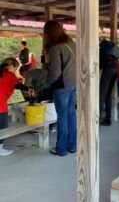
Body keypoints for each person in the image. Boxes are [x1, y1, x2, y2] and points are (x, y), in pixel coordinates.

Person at [43, 20, 76, 156]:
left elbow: (55, 72)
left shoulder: (55, 48)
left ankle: (61, 149)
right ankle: (72, 146)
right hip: (74, 83)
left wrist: (46, 84)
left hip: (62, 85)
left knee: (62, 116)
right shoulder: (72, 43)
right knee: (71, 114)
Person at [0, 58, 34, 156]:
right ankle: (0, 149)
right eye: (16, 68)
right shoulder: (10, 75)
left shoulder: (2, 73)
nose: (15, 71)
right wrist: (28, 89)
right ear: (11, 67)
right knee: (2, 127)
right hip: (0, 102)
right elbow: (18, 85)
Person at [99, 39, 119, 126]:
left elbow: (100, 64)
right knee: (108, 95)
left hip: (108, 71)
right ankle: (108, 119)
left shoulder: (103, 50)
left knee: (101, 95)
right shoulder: (112, 50)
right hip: (115, 70)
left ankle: (97, 119)